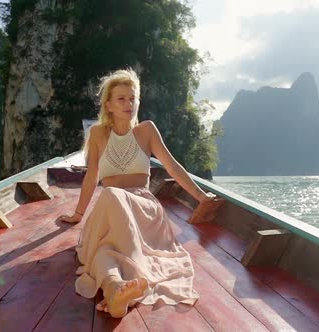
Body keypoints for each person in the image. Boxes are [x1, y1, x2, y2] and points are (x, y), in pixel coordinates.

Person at [60, 68, 216, 318]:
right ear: (108, 105)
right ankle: (114, 289)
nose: (128, 103)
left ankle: (120, 282)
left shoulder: (146, 130)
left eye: (132, 98)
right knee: (105, 235)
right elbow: (91, 176)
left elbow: (172, 166)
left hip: (142, 207)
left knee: (109, 209)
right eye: (121, 98)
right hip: (111, 207)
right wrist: (78, 214)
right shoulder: (98, 133)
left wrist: (201, 196)